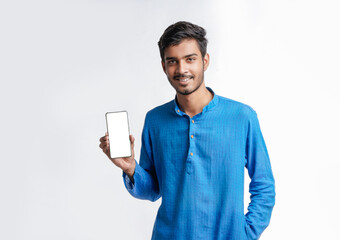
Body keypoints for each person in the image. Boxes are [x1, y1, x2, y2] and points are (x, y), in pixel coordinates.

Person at [99, 21, 275, 240]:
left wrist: (246, 233)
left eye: (190, 59)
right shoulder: (155, 120)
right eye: (173, 61)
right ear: (164, 66)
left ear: (205, 61)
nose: (182, 69)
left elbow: (264, 185)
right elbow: (153, 190)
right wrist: (131, 168)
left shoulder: (241, 116)